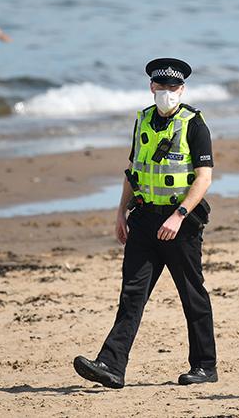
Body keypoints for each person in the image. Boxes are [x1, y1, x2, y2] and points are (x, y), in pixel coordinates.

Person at [73, 58, 217, 389]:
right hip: (143, 220)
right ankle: (111, 365)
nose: (166, 92)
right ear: (151, 87)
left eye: (173, 87)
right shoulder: (141, 121)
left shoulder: (194, 124)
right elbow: (133, 170)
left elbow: (204, 179)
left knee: (192, 295)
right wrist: (120, 212)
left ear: (182, 89)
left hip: (181, 224)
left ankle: (205, 365)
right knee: (132, 295)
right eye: (161, 86)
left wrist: (179, 216)